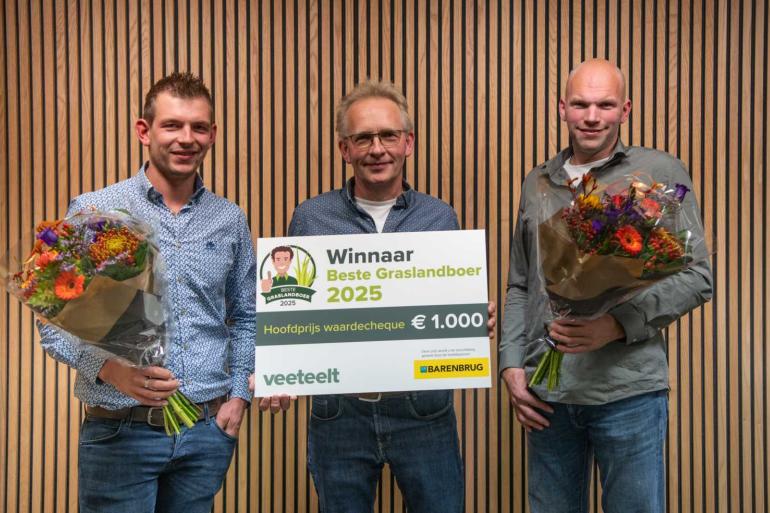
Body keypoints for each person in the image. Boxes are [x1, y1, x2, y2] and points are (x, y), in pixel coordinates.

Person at [258, 80, 494, 512]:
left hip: (424, 412)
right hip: (338, 415)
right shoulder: (310, 219)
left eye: (388, 135)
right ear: (344, 149)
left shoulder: (440, 218)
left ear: (408, 143)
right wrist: (281, 368)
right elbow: (290, 310)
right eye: (362, 137)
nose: (377, 148)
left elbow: (445, 305)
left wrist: (472, 319)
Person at [499, 58, 713, 513]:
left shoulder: (659, 173)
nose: (592, 116)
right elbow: (521, 284)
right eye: (580, 104)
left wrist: (617, 324)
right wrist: (512, 366)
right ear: (562, 108)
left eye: (605, 105)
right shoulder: (537, 182)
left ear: (625, 109)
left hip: (628, 391)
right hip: (547, 395)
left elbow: (698, 276)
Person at [37, 72, 256, 513]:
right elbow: (52, 323)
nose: (186, 138)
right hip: (120, 432)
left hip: (204, 435)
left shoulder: (229, 219)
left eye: (198, 127)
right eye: (172, 125)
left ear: (212, 135)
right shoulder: (95, 210)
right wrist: (111, 370)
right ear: (144, 131)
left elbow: (247, 316)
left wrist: (239, 396)